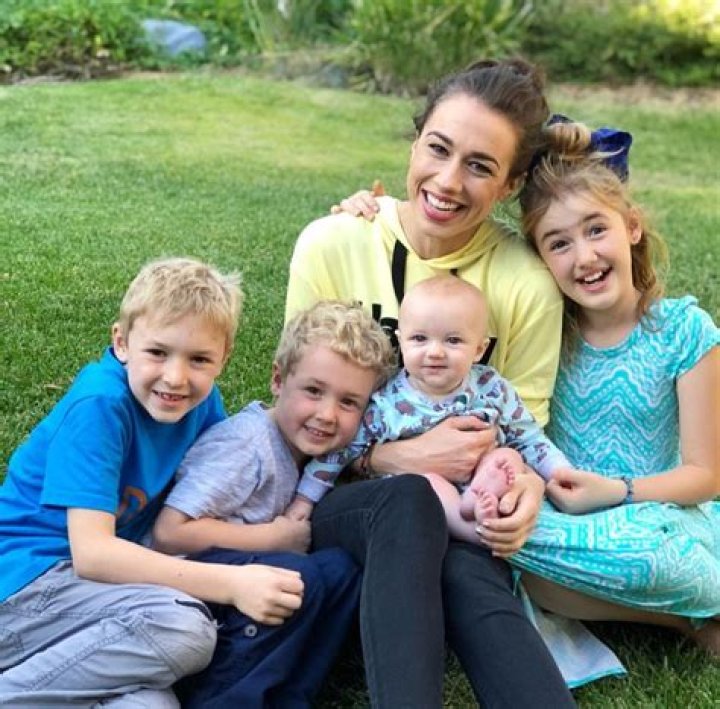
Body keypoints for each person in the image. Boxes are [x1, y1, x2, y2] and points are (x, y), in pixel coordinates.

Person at [286, 58, 576, 707]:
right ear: (415, 141)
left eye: (479, 165)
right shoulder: (335, 243)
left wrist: (526, 494)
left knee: (470, 574)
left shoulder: (525, 284)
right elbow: (302, 418)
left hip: (467, 514)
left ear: (510, 183)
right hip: (347, 499)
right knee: (411, 501)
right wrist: (391, 458)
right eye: (438, 149)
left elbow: (523, 433)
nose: (447, 181)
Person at [0, 257, 307, 707]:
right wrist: (232, 583)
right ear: (122, 342)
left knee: (152, 704)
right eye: (158, 353)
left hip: (102, 601)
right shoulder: (100, 405)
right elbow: (93, 555)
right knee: (183, 630)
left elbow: (209, 501)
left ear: (224, 358)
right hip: (27, 587)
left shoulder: (202, 405)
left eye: (199, 359)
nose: (176, 377)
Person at [508, 117, 720, 656]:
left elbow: (706, 476)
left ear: (632, 226)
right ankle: (684, 621)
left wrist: (618, 491)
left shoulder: (683, 331)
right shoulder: (546, 333)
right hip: (568, 521)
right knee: (506, 539)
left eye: (596, 229)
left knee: (657, 559)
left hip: (659, 516)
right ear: (540, 260)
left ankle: (691, 596)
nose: (584, 257)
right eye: (559, 243)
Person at [152, 301, 395, 708]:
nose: (327, 414)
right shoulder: (246, 446)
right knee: (295, 575)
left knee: (342, 572)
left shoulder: (314, 458)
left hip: (244, 581)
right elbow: (169, 533)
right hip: (183, 588)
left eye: (349, 402)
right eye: (313, 391)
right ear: (278, 380)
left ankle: (287, 698)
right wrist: (273, 539)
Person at [287, 277, 572, 540]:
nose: (435, 352)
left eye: (453, 340)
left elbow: (528, 436)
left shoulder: (492, 387)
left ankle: (480, 499)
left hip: (478, 481)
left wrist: (561, 472)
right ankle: (474, 530)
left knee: (507, 457)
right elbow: (340, 452)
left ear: (479, 349)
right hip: (417, 504)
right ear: (400, 341)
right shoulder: (386, 402)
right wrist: (304, 499)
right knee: (429, 482)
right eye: (420, 339)